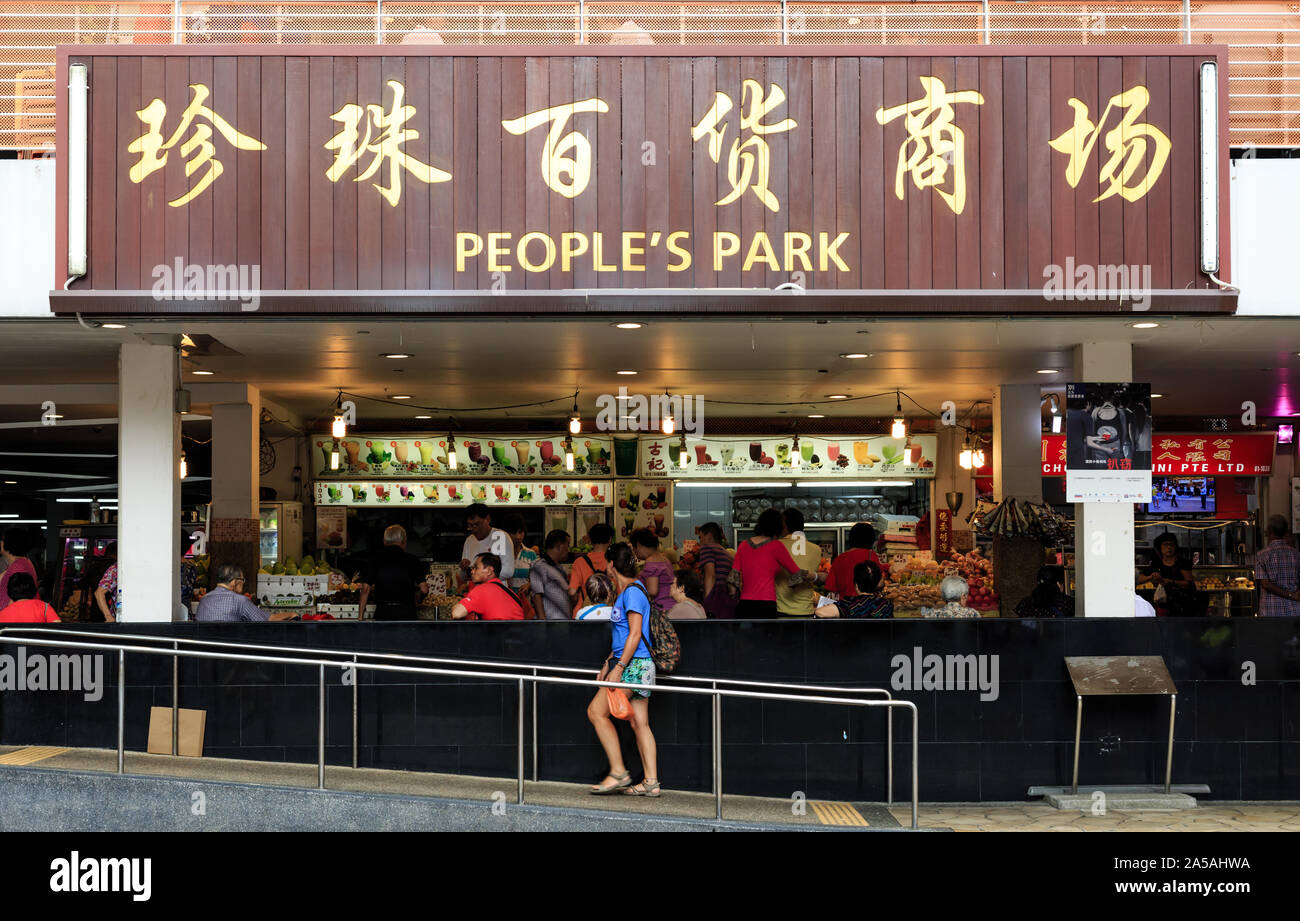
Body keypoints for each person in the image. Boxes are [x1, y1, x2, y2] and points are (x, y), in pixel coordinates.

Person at [586, 542, 659, 797]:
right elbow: (625, 634)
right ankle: (651, 783)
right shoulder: (628, 592)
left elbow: (636, 634)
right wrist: (609, 661)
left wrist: (618, 667)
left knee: (596, 711)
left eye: (606, 562)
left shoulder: (632, 593)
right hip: (635, 665)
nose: (604, 567)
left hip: (634, 666)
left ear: (611, 565)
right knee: (640, 723)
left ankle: (618, 771)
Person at [732, 508, 802, 619]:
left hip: (745, 605)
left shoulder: (743, 545)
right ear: (778, 527)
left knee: (744, 636)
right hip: (767, 605)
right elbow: (797, 573)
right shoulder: (776, 546)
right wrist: (791, 587)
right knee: (768, 637)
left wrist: (734, 592)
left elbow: (733, 577)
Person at [358, 525, 428, 621]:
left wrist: (360, 618)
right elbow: (424, 589)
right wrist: (418, 597)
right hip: (407, 614)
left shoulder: (375, 560)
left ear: (384, 541)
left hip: (383, 613)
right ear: (404, 541)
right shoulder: (412, 560)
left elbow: (365, 589)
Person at [195, 564, 296, 622]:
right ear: (234, 582)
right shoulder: (240, 601)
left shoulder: (204, 599)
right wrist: (291, 614)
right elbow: (267, 620)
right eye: (242, 580)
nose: (243, 583)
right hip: (233, 651)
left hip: (205, 651)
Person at [776, 508, 822, 617]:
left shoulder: (776, 546)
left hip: (780, 611)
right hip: (806, 611)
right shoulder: (816, 549)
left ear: (784, 526)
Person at [450, 553, 524, 620]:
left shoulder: (482, 589)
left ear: (489, 571)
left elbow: (457, 613)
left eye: (476, 567)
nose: (472, 571)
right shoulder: (511, 593)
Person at [1140, 534, 1197, 617]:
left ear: (1176, 546)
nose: (1169, 547)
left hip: (1181, 605)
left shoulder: (1182, 562)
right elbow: (1140, 578)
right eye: (1166, 544)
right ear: (1160, 547)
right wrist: (1151, 577)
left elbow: (1189, 583)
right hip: (1162, 605)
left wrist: (1168, 581)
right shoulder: (1156, 563)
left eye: (1171, 544)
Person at [825, 523, 887, 599]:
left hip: (845, 605)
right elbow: (879, 582)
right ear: (871, 540)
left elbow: (830, 586)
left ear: (851, 538)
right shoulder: (871, 555)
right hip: (866, 604)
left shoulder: (839, 558)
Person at [1255, 514, 1300, 617]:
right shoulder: (1297, 554)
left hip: (1270, 612)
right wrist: (1293, 595)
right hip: (1294, 611)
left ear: (1270, 531)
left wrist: (1290, 595)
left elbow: (1265, 584)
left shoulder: (1261, 555)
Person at [460, 504, 514, 588]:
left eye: (476, 524)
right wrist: (464, 569)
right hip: (475, 593)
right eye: (470, 526)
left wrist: (479, 576)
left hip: (496, 592)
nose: (474, 529)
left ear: (487, 519)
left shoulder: (500, 537)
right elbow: (463, 577)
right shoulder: (469, 540)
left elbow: (508, 571)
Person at [819, 561, 893, 619]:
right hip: (880, 638)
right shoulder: (886, 604)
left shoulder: (850, 605)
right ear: (877, 584)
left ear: (856, 585)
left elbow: (820, 612)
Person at [695, 522, 736, 619]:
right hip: (726, 603)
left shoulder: (707, 548)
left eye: (700, 537)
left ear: (709, 536)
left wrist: (707, 602)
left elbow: (710, 575)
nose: (699, 542)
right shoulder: (727, 554)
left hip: (715, 601)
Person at [530, 529, 573, 621]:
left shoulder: (560, 568)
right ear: (559, 547)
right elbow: (536, 595)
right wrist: (542, 623)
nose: (568, 550)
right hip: (550, 623)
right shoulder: (538, 565)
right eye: (567, 545)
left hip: (563, 622)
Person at [569, 523, 613, 610]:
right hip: (609, 612)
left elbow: (572, 592)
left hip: (584, 613)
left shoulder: (579, 562)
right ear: (610, 540)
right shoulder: (614, 561)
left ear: (590, 540)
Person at [630, 528, 674, 612]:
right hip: (671, 606)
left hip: (661, 609)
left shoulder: (651, 561)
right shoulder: (665, 559)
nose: (634, 551)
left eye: (634, 547)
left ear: (638, 545)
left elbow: (652, 591)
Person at [0, 527, 39, 611]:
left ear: (10, 543)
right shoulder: (21, 563)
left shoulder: (18, 567)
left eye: (3, 540)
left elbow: (17, 599)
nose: (1, 542)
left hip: (12, 620)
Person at [503, 514, 538, 596]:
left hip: (525, 600)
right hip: (506, 599)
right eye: (514, 533)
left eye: (521, 532)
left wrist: (528, 585)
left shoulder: (531, 554)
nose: (518, 536)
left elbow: (536, 578)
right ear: (506, 534)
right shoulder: (501, 554)